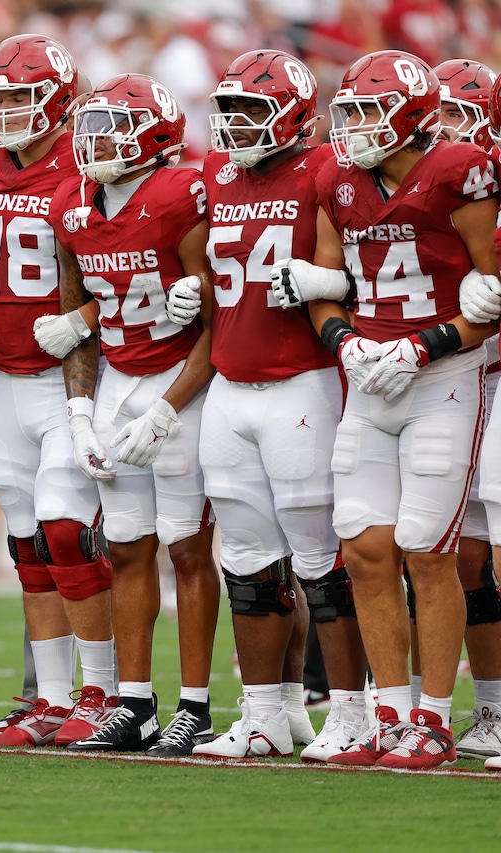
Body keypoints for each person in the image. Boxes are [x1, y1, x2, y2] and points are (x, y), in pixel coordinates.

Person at [297, 49, 497, 769]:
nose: (351, 128)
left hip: (443, 377)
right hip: (369, 379)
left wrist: (429, 343)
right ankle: (388, 713)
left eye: (367, 112)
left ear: (413, 118)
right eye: (347, 111)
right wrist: (343, 340)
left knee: (426, 547)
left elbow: (493, 293)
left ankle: (435, 720)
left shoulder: (460, 169)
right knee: (362, 545)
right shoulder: (335, 176)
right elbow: (323, 283)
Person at [165, 49, 365, 760]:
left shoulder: (326, 171)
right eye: (229, 109)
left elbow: (372, 268)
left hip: (302, 381)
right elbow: (206, 266)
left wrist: (324, 279)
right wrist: (191, 289)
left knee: (319, 559)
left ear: (296, 114)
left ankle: (353, 712)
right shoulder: (216, 179)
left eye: (251, 108)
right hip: (229, 381)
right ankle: (264, 715)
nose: (236, 123)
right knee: (247, 560)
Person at [53, 73, 222, 756]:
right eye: (89, 128)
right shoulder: (72, 206)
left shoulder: (180, 196)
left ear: (154, 136)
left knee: (186, 547)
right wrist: (78, 412)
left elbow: (221, 319)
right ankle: (134, 703)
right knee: (125, 547)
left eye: (111, 130)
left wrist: (169, 407)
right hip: (118, 378)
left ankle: (196, 707)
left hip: (184, 379)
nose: (94, 143)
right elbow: (76, 320)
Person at [0, 34, 116, 749]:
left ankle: (103, 689)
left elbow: (127, 267)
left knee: (65, 525)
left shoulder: (88, 164)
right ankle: (51, 698)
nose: (6, 111)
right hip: (3, 373)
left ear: (59, 99)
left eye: (21, 96)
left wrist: (84, 316)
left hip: (71, 376)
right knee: (26, 536)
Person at [430, 57, 501, 762]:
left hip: (489, 369)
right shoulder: (421, 176)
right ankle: (491, 706)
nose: (445, 128)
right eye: (437, 113)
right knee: (471, 554)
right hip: (458, 373)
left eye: (459, 112)